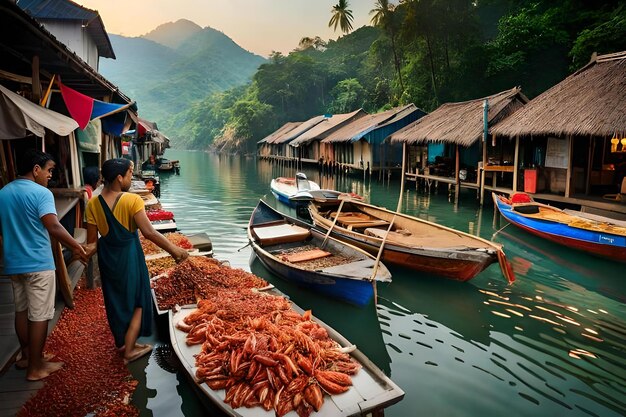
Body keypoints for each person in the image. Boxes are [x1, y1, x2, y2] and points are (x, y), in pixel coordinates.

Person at [84, 158, 188, 364]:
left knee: (116, 300)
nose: (132, 178)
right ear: (119, 177)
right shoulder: (132, 200)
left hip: (107, 257)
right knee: (138, 300)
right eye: (130, 174)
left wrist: (80, 253)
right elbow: (149, 233)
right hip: (128, 256)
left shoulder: (93, 203)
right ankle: (129, 351)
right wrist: (175, 251)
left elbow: (91, 244)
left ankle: (124, 342)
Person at [0, 149, 86, 381]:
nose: (50, 176)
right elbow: (53, 226)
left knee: (22, 310)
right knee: (40, 314)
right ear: (36, 169)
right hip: (38, 262)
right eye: (49, 170)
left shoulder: (3, 192)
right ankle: (36, 367)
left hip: (13, 262)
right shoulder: (41, 193)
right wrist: (77, 247)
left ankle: (28, 356)